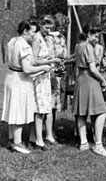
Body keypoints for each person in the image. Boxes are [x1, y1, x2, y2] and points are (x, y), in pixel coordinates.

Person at [1, 20, 51, 153]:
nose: (34, 35)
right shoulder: (24, 46)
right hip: (20, 81)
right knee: (18, 111)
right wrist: (44, 68)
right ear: (25, 31)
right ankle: (18, 143)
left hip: (10, 77)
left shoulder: (12, 41)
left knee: (12, 109)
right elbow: (27, 69)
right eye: (33, 32)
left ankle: (11, 140)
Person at [72, 24, 106, 157]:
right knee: (101, 111)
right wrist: (103, 80)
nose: (96, 39)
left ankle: (83, 143)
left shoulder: (79, 45)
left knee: (82, 113)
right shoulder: (88, 47)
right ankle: (98, 145)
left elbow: (74, 59)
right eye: (95, 36)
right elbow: (93, 69)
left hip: (80, 80)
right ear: (88, 33)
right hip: (90, 80)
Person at [30, 14, 62, 150]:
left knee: (43, 108)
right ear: (41, 25)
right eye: (46, 27)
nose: (48, 30)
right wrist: (50, 61)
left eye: (50, 28)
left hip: (45, 76)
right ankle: (39, 140)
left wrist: (50, 58)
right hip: (39, 76)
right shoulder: (37, 38)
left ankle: (35, 137)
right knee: (39, 109)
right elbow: (34, 60)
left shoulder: (43, 37)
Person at [46, 13, 69, 139]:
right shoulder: (49, 38)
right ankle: (49, 133)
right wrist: (58, 59)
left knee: (55, 104)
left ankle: (52, 130)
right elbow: (49, 56)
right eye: (61, 26)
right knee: (50, 103)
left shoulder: (62, 38)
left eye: (64, 27)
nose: (63, 29)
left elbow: (64, 54)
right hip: (52, 72)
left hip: (61, 73)